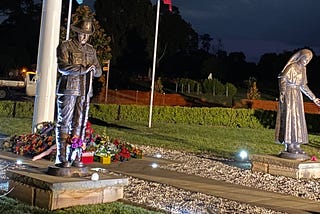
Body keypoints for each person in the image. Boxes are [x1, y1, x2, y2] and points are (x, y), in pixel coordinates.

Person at [55, 17, 102, 167]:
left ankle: (75, 155)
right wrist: (83, 69)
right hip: (68, 89)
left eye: (86, 34)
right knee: (64, 121)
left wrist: (94, 70)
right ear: (76, 32)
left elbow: (98, 71)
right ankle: (62, 157)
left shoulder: (90, 50)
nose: (83, 36)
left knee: (80, 123)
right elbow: (62, 67)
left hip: (85, 90)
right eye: (81, 33)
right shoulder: (65, 46)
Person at [275, 49, 320, 155]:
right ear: (301, 57)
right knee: (290, 118)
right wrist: (282, 92)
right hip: (289, 94)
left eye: (309, 60)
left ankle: (297, 144)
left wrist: (314, 98)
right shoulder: (292, 67)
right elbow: (282, 78)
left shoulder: (303, 69)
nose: (306, 61)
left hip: (298, 96)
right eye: (305, 58)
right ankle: (289, 144)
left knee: (298, 119)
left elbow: (303, 86)